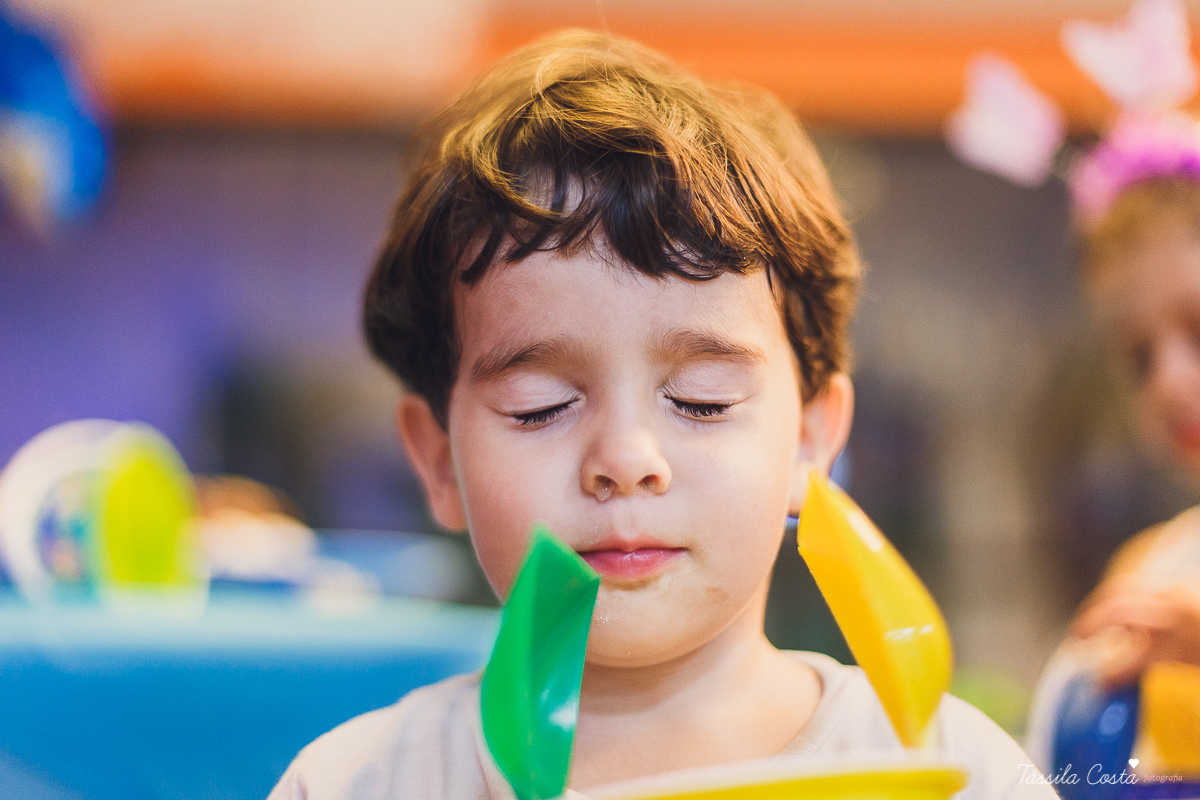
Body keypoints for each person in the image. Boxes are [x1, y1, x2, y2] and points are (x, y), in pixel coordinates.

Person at [269, 30, 1052, 799]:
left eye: (700, 401)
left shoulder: (953, 769)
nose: (627, 457)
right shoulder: (358, 783)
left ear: (810, 439)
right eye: (539, 408)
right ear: (439, 459)